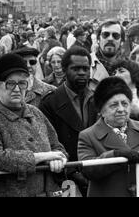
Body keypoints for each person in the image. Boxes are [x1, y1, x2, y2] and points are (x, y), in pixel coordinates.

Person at [77, 77, 139, 197]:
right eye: (114, 105)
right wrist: (115, 155)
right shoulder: (88, 135)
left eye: (125, 104)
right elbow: (88, 170)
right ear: (101, 110)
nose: (121, 109)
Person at [0, 53, 68, 197]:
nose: (17, 89)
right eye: (10, 83)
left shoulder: (35, 113)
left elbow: (57, 147)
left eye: (22, 83)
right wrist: (41, 157)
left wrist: (59, 159)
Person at [39, 46, 98, 196]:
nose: (82, 73)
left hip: (96, 172)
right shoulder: (50, 102)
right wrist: (72, 172)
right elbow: (48, 143)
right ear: (64, 70)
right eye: (76, 68)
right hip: (65, 177)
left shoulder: (97, 99)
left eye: (85, 68)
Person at [90, 20, 126, 91]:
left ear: (121, 42)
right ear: (98, 39)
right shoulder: (86, 64)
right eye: (105, 35)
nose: (110, 39)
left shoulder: (129, 68)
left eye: (115, 36)